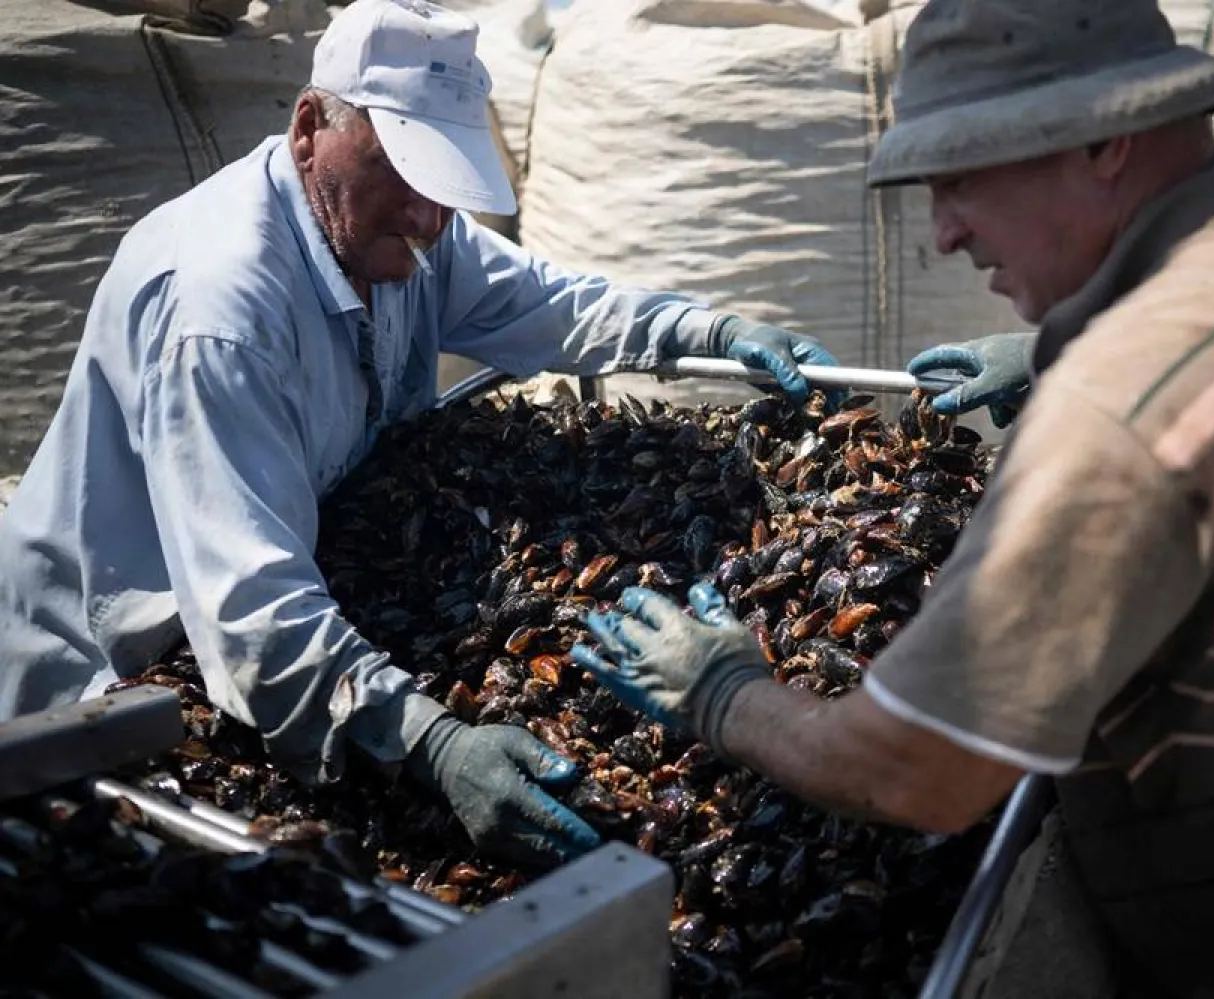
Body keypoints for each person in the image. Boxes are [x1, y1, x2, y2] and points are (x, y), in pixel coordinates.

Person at [569, 0, 1214, 994]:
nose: (946, 232)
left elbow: (914, 773)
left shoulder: (1121, 410)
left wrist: (724, 694)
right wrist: (1059, 347)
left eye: (961, 179)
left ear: (1106, 142)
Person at [0, 0, 839, 863]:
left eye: (446, 183)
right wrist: (435, 741)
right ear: (307, 130)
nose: (430, 215)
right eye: (402, 171)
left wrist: (708, 333)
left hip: (282, 604)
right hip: (105, 677)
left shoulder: (400, 232)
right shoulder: (224, 313)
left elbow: (546, 302)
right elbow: (252, 607)